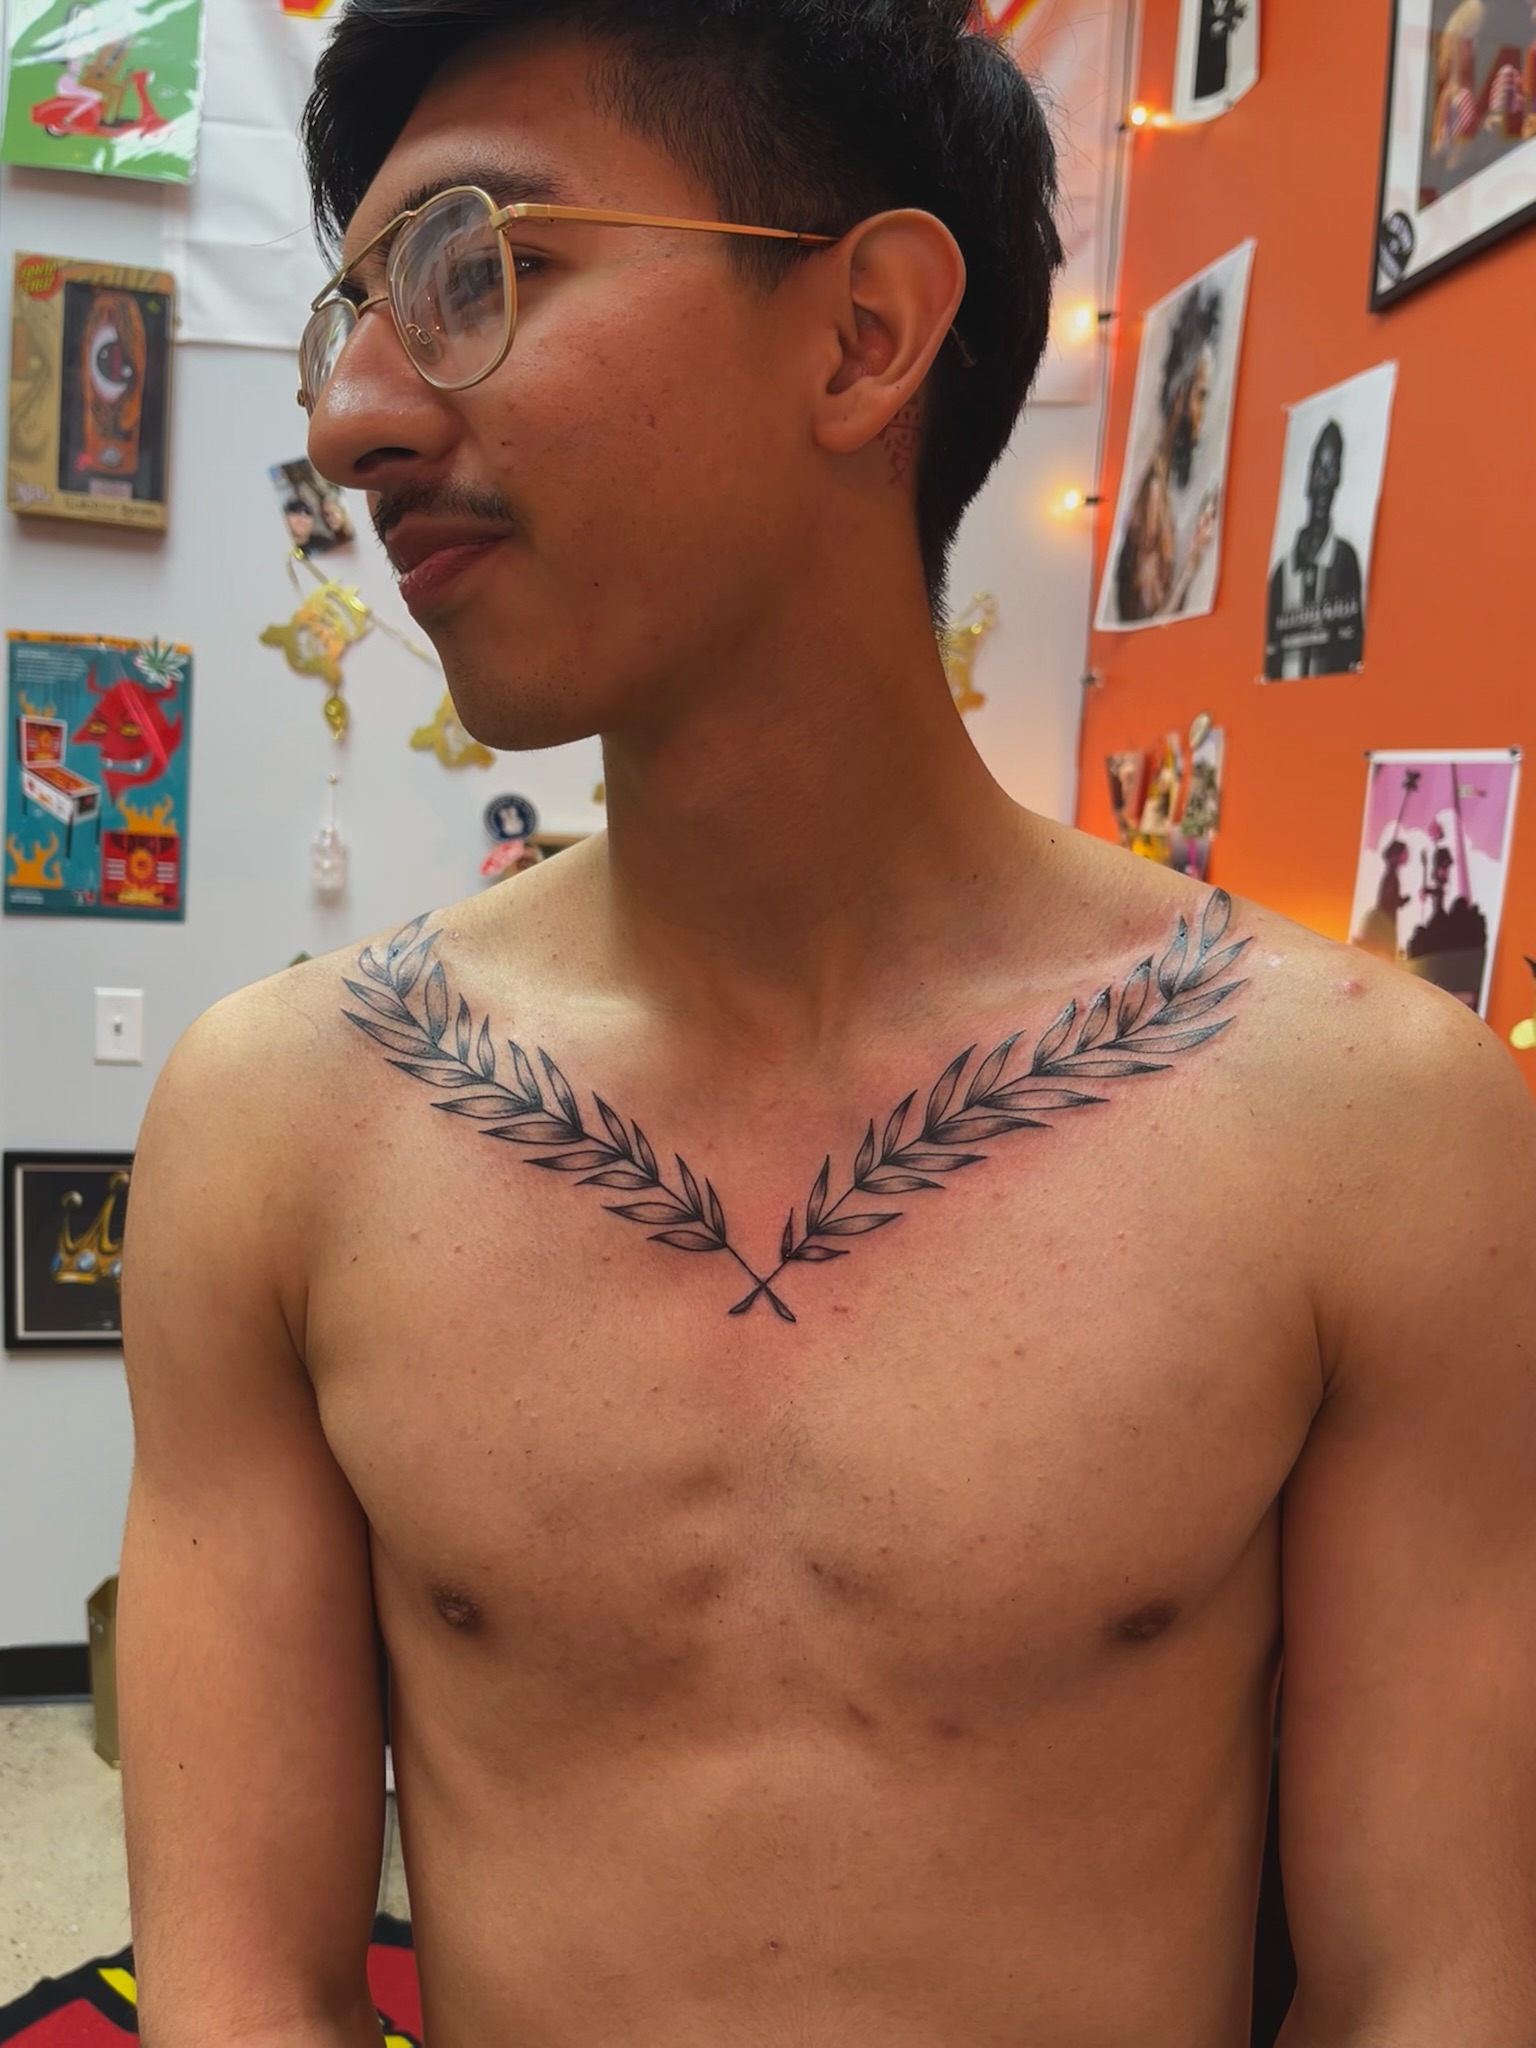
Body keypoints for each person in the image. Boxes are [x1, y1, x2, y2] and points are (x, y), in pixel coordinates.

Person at [116, 4, 1536, 2047]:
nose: (348, 418)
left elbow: (1432, 1986)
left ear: (864, 334)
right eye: (349, 316)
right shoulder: (279, 1125)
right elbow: (244, 1988)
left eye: (473, 270)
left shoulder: (1368, 1128)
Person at [1112, 282, 1223, 623]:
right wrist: (1191, 566)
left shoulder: (1160, 488)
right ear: (1180, 398)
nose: (1202, 416)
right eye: (1200, 396)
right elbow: (1150, 618)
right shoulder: (1152, 499)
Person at [1264, 419, 1365, 679]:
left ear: (1338, 479)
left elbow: (1354, 652)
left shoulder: (1345, 561)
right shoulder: (1280, 575)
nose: (1323, 482)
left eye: (1331, 471)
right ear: (1309, 476)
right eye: (1319, 469)